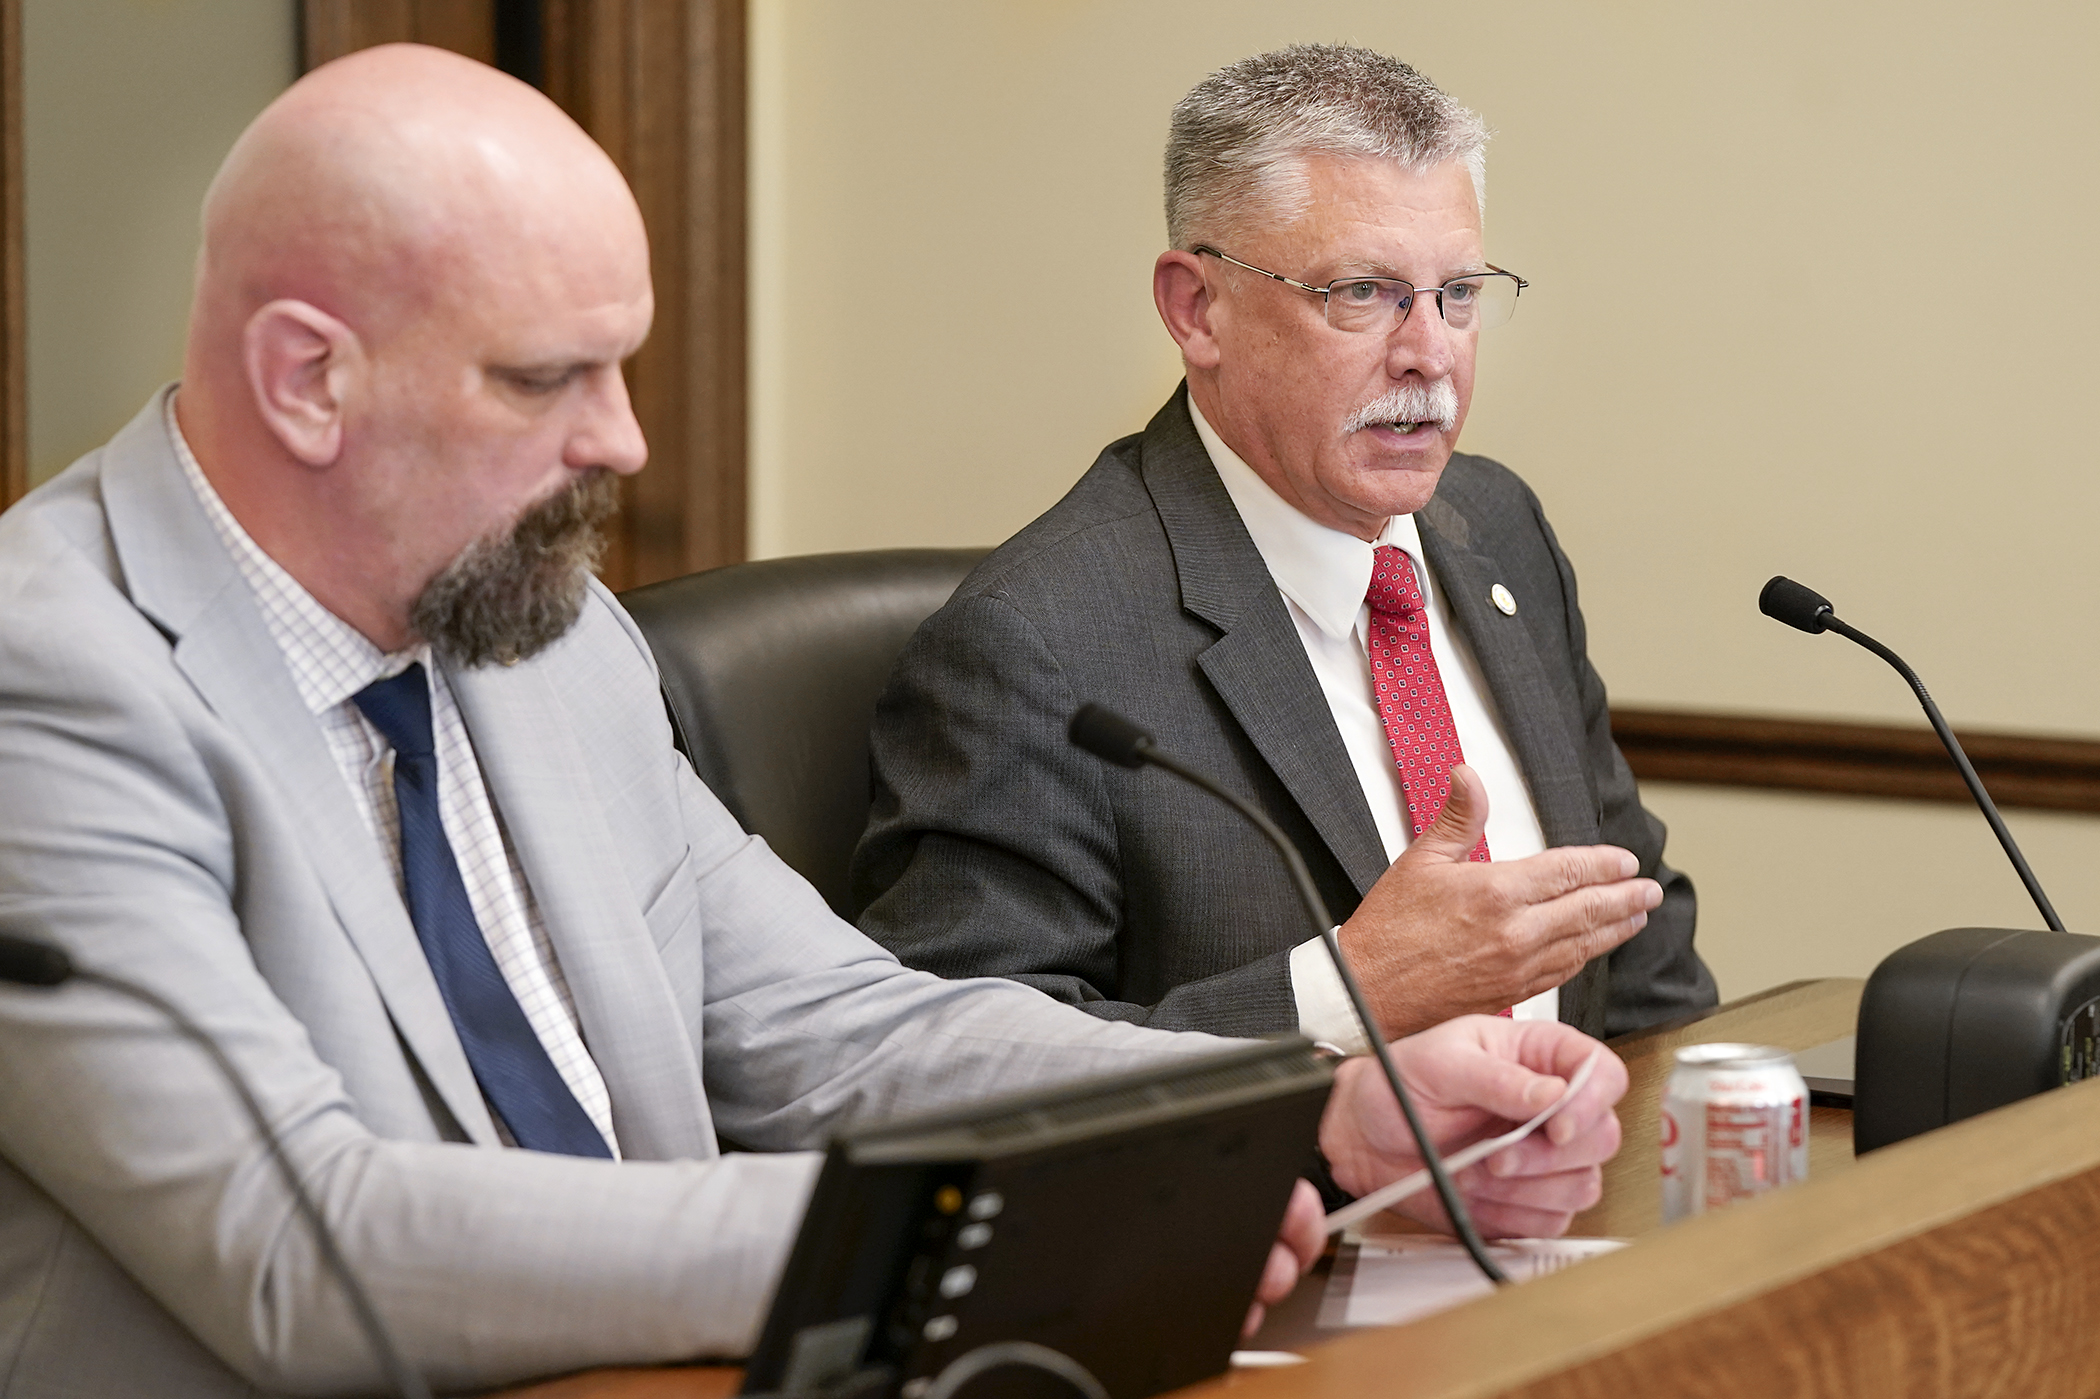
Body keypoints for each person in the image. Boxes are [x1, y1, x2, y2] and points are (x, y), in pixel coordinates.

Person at [0, 45, 1629, 1398]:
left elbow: (851, 1027)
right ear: (307, 378)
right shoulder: (47, 681)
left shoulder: (539, 634)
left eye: (625, 367)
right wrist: (942, 1232)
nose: (625, 441)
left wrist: (1306, 1110)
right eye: (547, 378)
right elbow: (297, 1241)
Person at [853, 45, 1717, 1049]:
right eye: (1362, 292)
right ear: (1196, 309)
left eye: (1460, 293)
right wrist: (1348, 995)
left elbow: (1645, 967)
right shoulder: (1034, 644)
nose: (1429, 351)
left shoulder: (1500, 531)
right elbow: (959, 1066)